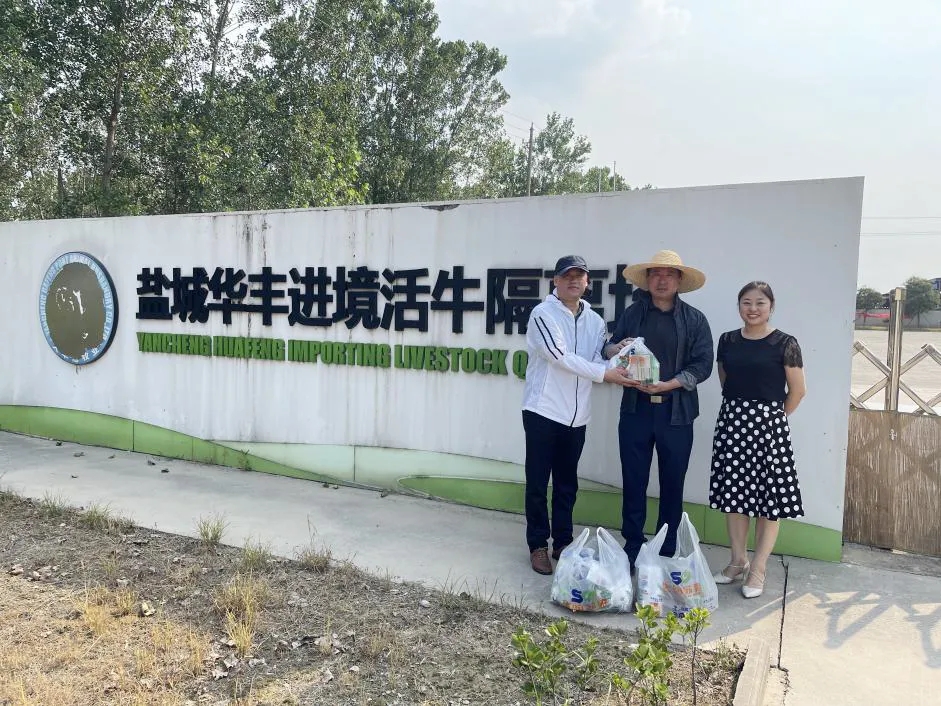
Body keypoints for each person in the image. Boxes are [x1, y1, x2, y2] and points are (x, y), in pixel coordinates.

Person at [522, 255, 634, 575]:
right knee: (538, 483)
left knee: (567, 484)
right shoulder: (542, 314)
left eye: (579, 276)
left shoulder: (595, 321)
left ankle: (563, 542)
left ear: (587, 283)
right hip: (543, 411)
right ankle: (538, 545)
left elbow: (598, 354)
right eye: (567, 275)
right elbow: (559, 356)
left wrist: (618, 353)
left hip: (577, 416)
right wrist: (605, 374)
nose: (573, 280)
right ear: (555, 281)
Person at [605, 250, 714, 571]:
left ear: (679, 280)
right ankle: (633, 545)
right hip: (635, 410)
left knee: (672, 483)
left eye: (669, 274)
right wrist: (615, 349)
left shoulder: (694, 319)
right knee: (633, 481)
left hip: (676, 414)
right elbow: (609, 348)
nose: (662, 280)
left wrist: (669, 385)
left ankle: (666, 548)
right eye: (656, 274)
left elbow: (703, 364)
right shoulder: (633, 314)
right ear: (648, 279)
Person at [709, 281, 806, 598]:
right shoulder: (727, 340)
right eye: (746, 302)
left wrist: (772, 420)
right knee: (734, 496)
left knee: (768, 501)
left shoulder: (785, 343)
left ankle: (759, 568)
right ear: (739, 306)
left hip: (769, 430)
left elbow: (798, 391)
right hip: (733, 425)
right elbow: (726, 380)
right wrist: (742, 414)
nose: (753, 308)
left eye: (760, 303)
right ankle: (738, 561)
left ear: (771, 307)